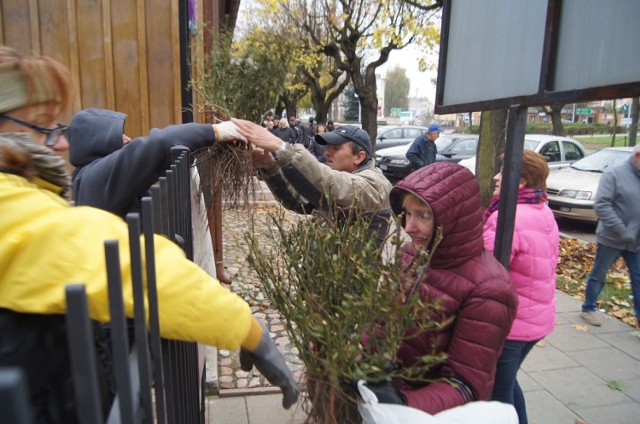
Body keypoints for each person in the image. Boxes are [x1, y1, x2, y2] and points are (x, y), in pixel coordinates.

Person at [0, 46, 297, 422]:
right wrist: (246, 328)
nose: (58, 142)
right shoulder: (92, 177)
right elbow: (131, 261)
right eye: (42, 125)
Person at [364, 162, 518, 414]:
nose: (409, 228)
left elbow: (465, 385)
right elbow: (383, 320)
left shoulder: (489, 290)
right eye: (407, 214)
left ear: (454, 217)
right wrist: (356, 353)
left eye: (423, 215)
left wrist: (402, 403)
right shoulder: (410, 256)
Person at [482, 150, 559, 424]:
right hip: (536, 319)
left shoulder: (507, 217)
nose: (496, 176)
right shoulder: (542, 209)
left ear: (522, 180)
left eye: (503, 171)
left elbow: (486, 269)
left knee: (498, 395)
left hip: (513, 325)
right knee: (508, 382)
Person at [232, 119, 393, 248]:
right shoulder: (342, 179)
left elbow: (335, 185)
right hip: (324, 280)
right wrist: (270, 167)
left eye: (336, 148)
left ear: (359, 157)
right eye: (328, 147)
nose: (326, 152)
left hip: (350, 284)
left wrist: (281, 147)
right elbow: (301, 203)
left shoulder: (376, 184)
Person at [68, 107, 245, 219]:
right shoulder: (95, 180)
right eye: (116, 136)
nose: (127, 138)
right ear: (94, 141)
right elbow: (158, 145)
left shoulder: (91, 180)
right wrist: (214, 132)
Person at [581, 144, 640, 327]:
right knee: (599, 274)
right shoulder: (615, 175)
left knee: (638, 279)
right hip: (611, 239)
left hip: (636, 241)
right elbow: (602, 205)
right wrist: (623, 230)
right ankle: (588, 308)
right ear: (637, 156)